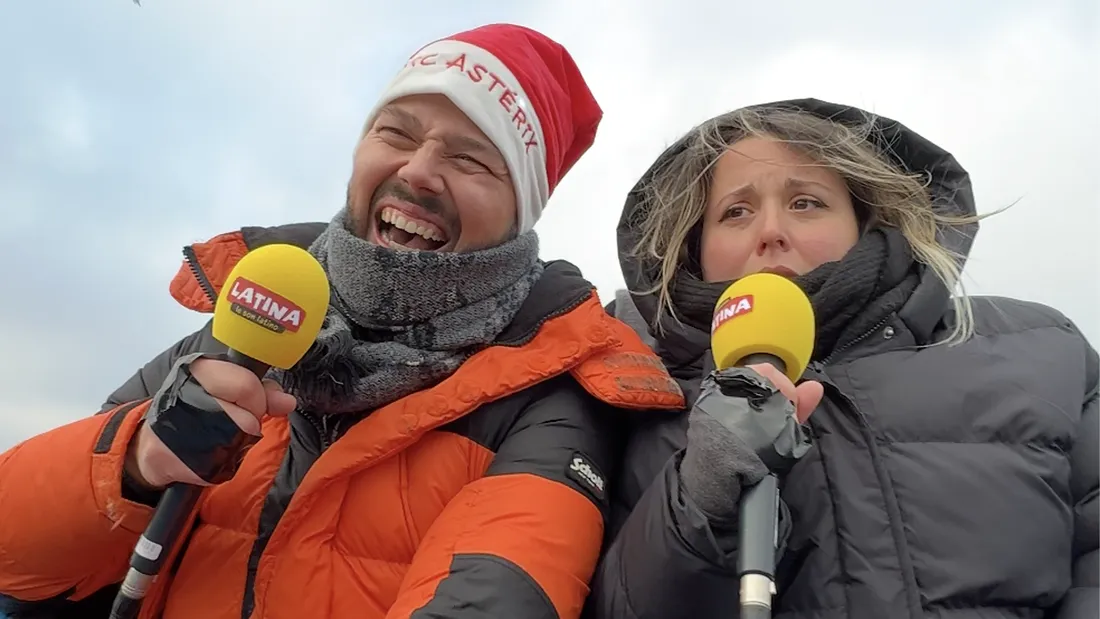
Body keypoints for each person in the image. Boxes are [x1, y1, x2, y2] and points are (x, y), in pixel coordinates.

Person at [0, 24, 685, 619]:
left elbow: (498, 590)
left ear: (518, 213)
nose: (418, 171)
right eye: (395, 132)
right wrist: (138, 463)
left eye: (470, 158)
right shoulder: (246, 318)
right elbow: (16, 558)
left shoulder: (550, 395)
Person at [586, 98, 1098, 618]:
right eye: (735, 211)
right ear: (695, 246)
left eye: (806, 202)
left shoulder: (1042, 349)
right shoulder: (628, 391)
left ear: (866, 218)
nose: (770, 231)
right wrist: (698, 501)